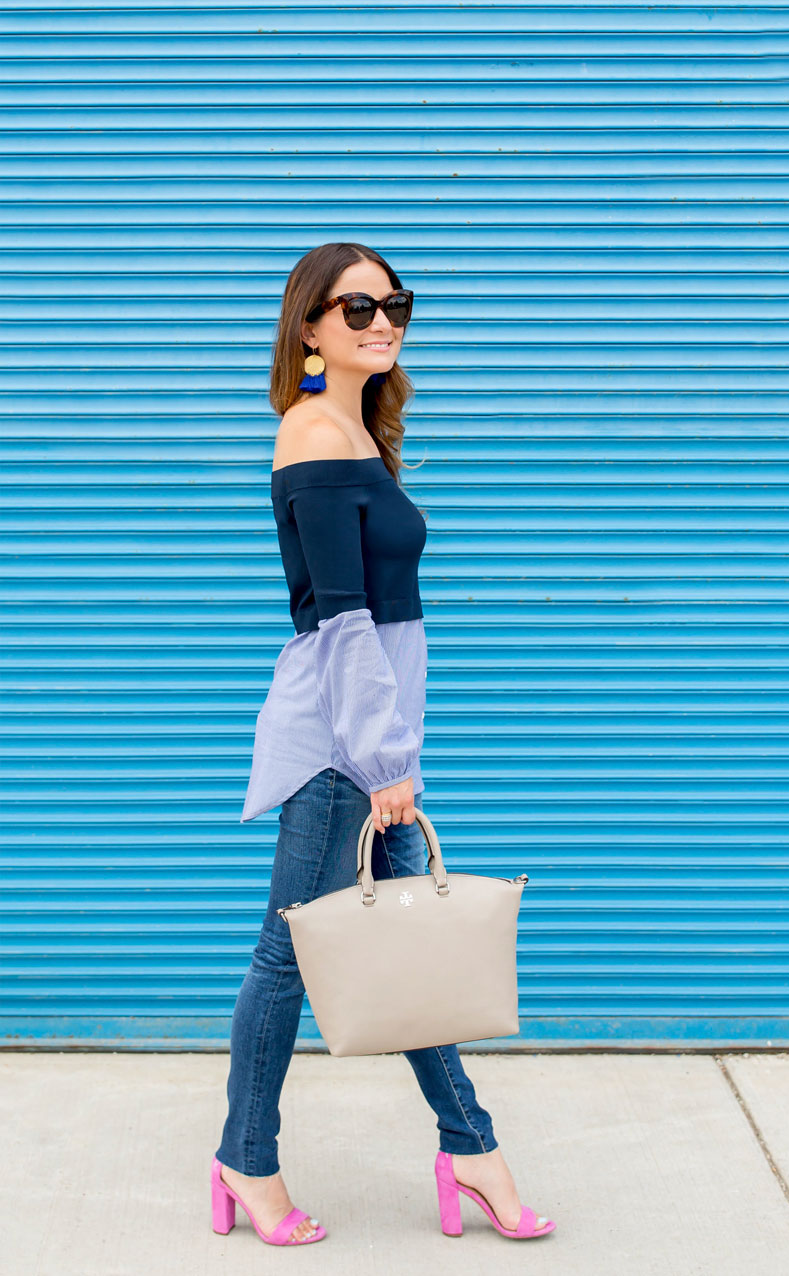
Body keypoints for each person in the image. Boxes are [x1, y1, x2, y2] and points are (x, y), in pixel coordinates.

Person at [212, 241, 555, 1246]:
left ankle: (471, 1149)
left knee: (411, 946)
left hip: (375, 739)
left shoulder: (358, 434)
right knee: (286, 956)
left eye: (393, 303)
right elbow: (343, 622)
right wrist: (385, 761)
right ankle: (247, 1161)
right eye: (354, 307)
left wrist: (396, 749)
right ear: (309, 327)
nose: (380, 321)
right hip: (341, 747)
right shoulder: (313, 435)